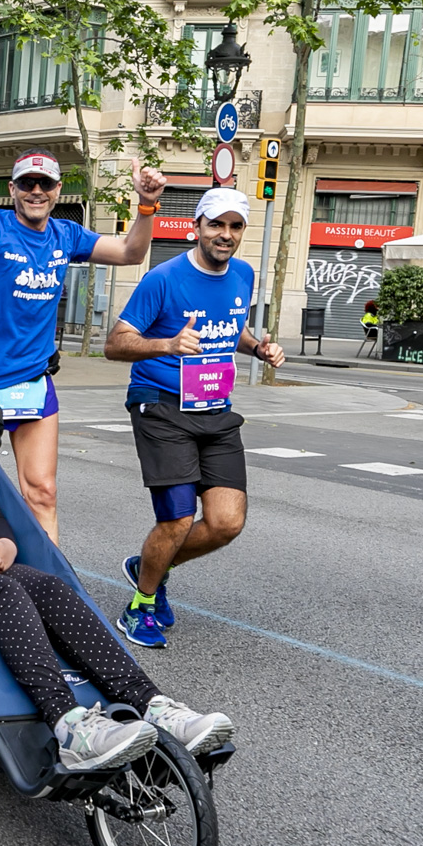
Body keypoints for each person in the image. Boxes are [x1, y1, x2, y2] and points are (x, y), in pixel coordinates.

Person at [0, 352, 233, 767]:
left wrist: (6, 545)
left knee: (51, 588)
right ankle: (69, 725)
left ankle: (154, 705)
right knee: (5, 593)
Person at [0, 151, 168, 542]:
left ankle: (48, 585)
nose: (35, 192)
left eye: (45, 184)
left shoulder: (66, 235)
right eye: (26, 183)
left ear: (57, 191)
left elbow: (130, 253)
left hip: (32, 383)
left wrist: (145, 207)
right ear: (12, 189)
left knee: (43, 492)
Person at [103, 187, 286, 647]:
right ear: (197, 227)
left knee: (226, 522)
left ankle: (147, 564)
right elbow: (115, 343)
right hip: (161, 404)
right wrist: (166, 344)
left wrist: (258, 348)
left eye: (235, 226)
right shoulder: (162, 279)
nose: (225, 235)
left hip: (215, 407)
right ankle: (141, 604)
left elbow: (233, 329)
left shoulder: (242, 274)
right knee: (178, 518)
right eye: (216, 224)